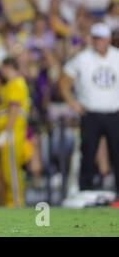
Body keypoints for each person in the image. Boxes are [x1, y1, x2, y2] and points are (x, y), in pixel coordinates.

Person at [60, 23, 119, 198]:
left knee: (117, 153)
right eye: (95, 37)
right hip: (90, 113)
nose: (98, 41)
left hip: (114, 113)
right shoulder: (82, 58)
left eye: (101, 37)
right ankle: (84, 191)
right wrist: (72, 102)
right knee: (87, 153)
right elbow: (64, 81)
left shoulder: (117, 56)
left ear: (108, 39)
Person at [0, 57, 31, 207]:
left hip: (13, 134)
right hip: (10, 133)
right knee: (5, 171)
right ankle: (10, 201)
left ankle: (16, 202)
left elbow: (14, 110)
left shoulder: (15, 83)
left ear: (8, 67)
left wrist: (5, 133)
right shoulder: (12, 84)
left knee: (11, 172)